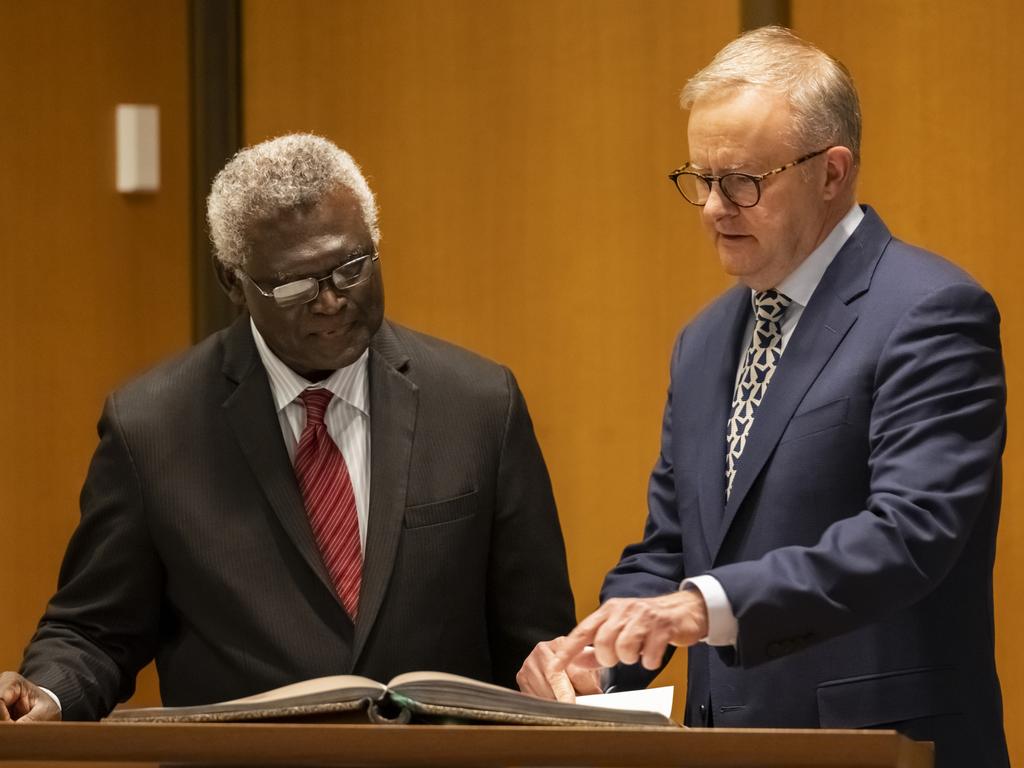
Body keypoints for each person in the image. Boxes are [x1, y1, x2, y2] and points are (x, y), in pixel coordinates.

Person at [518, 26, 1008, 767]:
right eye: (700, 178)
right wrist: (605, 653)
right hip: (728, 744)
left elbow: (910, 534)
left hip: (880, 744)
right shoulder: (704, 339)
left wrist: (702, 605)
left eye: (742, 181)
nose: (714, 207)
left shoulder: (932, 311)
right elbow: (672, 545)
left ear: (831, 172)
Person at [1, 133, 575, 722]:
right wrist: (46, 693)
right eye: (295, 284)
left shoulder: (479, 404)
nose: (330, 302)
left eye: (351, 267)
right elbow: (95, 629)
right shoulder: (152, 428)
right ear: (234, 282)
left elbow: (537, 647)